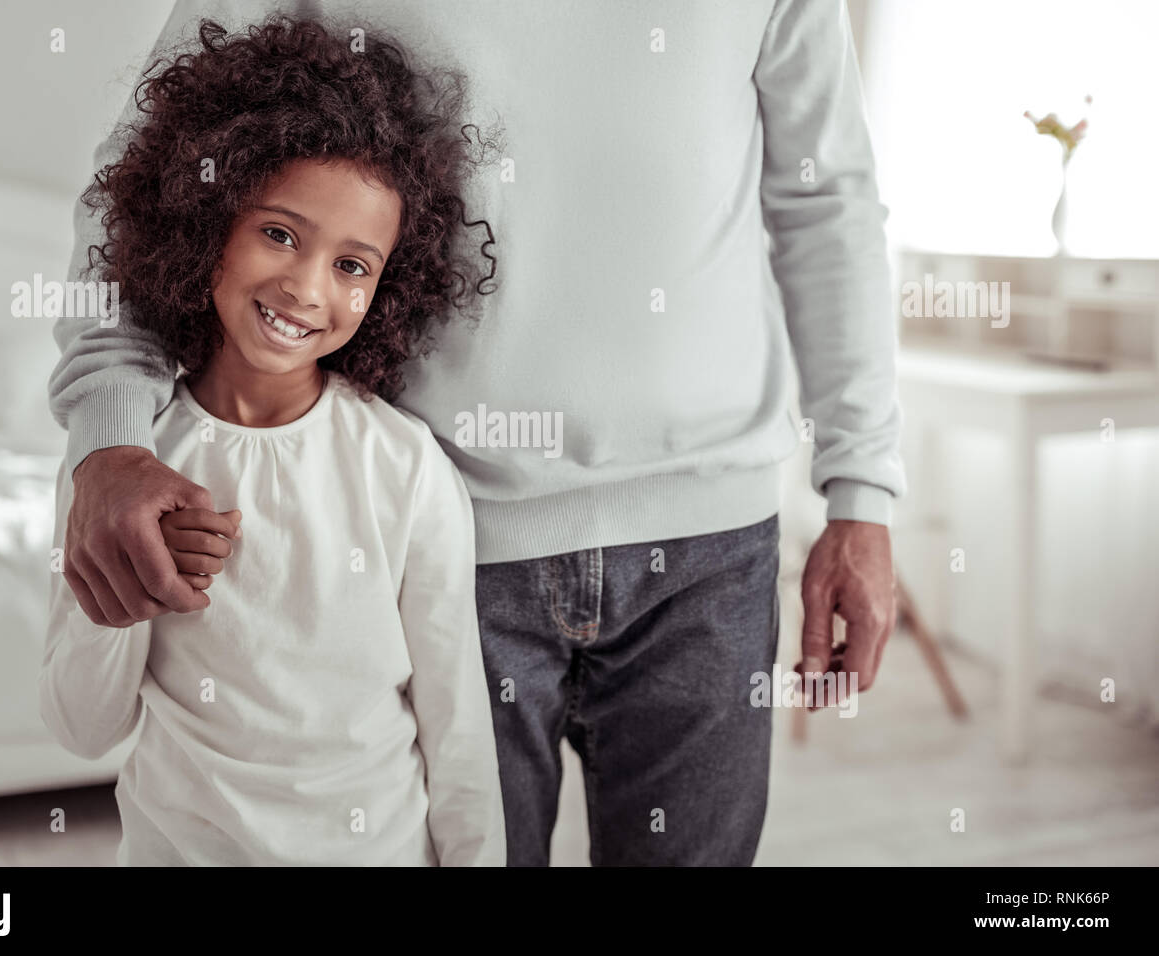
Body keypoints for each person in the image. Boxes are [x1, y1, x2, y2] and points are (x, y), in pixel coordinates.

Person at [50, 0, 907, 867]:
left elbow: (827, 198)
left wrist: (862, 488)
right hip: (446, 538)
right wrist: (110, 437)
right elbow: (142, 177)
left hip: (710, 551)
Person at [40, 14, 506, 866]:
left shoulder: (404, 468)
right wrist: (138, 587)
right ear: (206, 217)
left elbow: (457, 728)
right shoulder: (123, 467)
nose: (304, 287)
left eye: (352, 265)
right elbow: (81, 726)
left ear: (388, 287)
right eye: (280, 234)